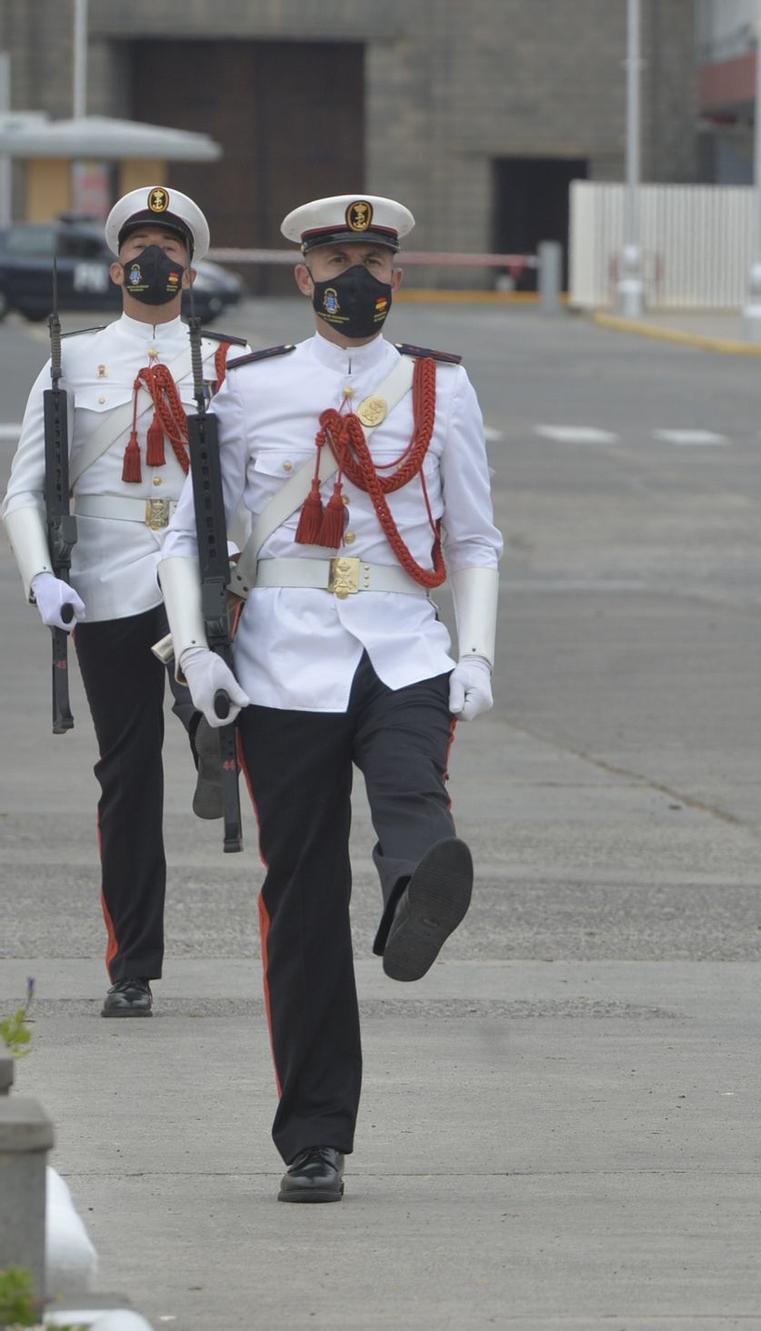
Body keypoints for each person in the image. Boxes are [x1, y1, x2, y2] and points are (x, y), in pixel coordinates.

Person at [156, 194, 501, 1203]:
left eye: (375, 259)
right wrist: (190, 650)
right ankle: (316, 1134)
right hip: (279, 659)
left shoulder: (442, 388)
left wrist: (474, 651)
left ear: (397, 275)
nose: (358, 276)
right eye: (337, 259)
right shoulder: (244, 385)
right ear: (303, 276)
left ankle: (412, 896)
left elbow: (474, 537)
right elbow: (186, 535)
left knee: (412, 794)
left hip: (401, 643)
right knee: (301, 893)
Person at [2, 185, 242, 1019]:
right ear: (115, 267)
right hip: (101, 586)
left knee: (210, 705)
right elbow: (22, 490)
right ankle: (132, 964)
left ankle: (213, 738)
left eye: (169, 248)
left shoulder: (226, 363)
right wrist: (42, 578)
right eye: (140, 246)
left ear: (190, 266)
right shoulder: (69, 360)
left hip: (196, 579)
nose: (154, 260)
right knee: (127, 777)